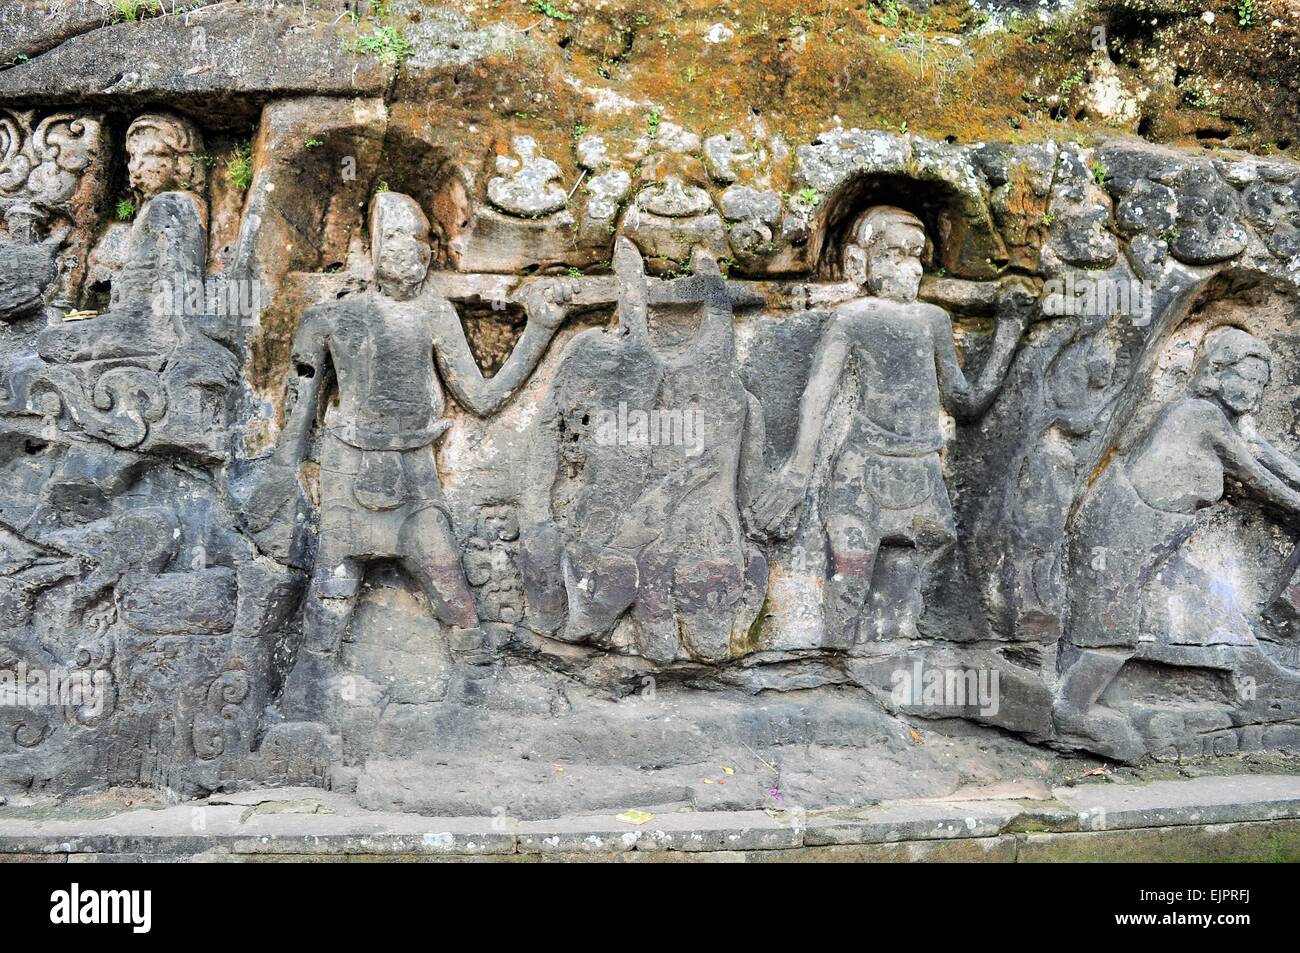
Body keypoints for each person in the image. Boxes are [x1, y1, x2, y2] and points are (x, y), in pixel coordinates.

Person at [243, 192, 566, 672]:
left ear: (429, 254)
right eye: (391, 236)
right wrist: (280, 474)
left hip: (416, 469)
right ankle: (307, 693)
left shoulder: (435, 313)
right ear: (372, 247)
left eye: (415, 238)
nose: (404, 248)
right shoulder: (329, 318)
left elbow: (481, 398)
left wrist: (539, 329)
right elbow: (298, 410)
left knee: (450, 585)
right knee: (333, 586)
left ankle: (475, 689)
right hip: (346, 462)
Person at [750, 206, 1028, 647]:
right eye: (896, 254)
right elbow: (818, 395)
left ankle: (907, 666)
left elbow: (964, 402)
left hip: (921, 470)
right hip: (861, 471)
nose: (911, 268)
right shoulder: (853, 318)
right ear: (861, 263)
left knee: (929, 580)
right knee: (850, 581)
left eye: (917, 256)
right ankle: (831, 666)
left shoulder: (933, 320)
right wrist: (798, 469)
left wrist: (1009, 336)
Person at [1058, 326, 1300, 761]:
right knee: (1111, 633)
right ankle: (1072, 711)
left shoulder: (1218, 419)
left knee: (1189, 616)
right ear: (1216, 370)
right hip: (1131, 530)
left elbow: (1262, 453)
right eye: (1243, 376)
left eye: (1261, 383)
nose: (1252, 390)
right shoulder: (1199, 414)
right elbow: (1256, 476)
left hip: (1159, 534)